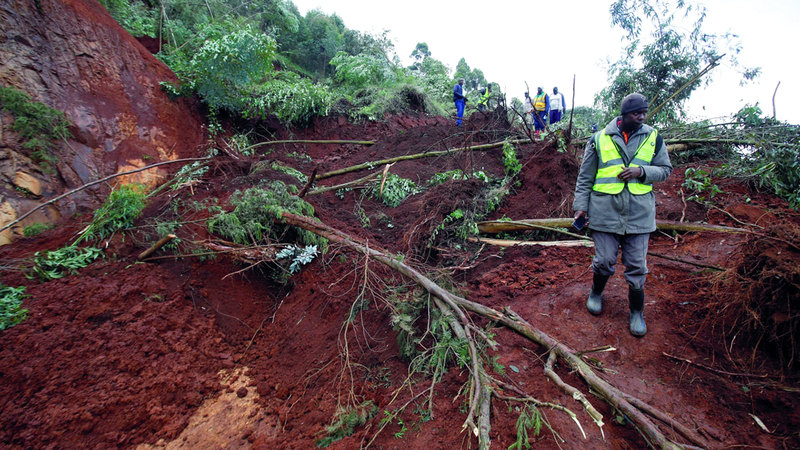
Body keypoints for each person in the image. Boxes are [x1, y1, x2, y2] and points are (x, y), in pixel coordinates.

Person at [572, 93, 673, 337]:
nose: (641, 117)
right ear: (624, 114)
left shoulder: (653, 138)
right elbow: (585, 177)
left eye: (643, 113)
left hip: (639, 213)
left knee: (637, 265)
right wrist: (580, 206)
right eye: (636, 113)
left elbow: (665, 170)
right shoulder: (599, 139)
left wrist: (641, 171)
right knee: (605, 260)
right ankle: (596, 293)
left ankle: (636, 312)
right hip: (605, 210)